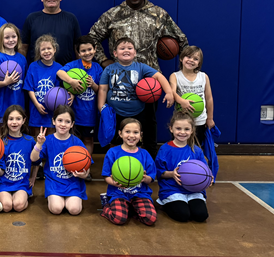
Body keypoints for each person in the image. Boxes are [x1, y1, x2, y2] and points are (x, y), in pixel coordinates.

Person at [88, 0, 188, 157]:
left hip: (149, 81)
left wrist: (186, 69)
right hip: (120, 79)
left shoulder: (158, 14)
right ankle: (117, 159)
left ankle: (149, 160)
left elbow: (181, 40)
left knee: (149, 123)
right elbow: (92, 38)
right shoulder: (113, 14)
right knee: (119, 123)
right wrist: (104, 60)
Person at [97, 37, 174, 158]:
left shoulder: (141, 67)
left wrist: (169, 92)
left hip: (138, 112)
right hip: (115, 113)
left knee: (137, 139)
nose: (126, 50)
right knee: (115, 141)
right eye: (122, 48)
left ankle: (139, 163)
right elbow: (103, 89)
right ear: (115, 53)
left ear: (135, 52)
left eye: (129, 48)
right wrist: (101, 107)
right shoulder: (109, 69)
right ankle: (114, 162)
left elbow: (159, 76)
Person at [56, 35, 103, 178]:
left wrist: (93, 85)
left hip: (90, 113)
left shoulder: (97, 68)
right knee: (72, 140)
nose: (87, 53)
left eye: (90, 49)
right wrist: (71, 81)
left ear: (95, 49)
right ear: (78, 52)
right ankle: (71, 164)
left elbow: (100, 89)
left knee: (88, 140)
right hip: (74, 112)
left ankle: (84, 166)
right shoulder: (74, 65)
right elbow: (59, 72)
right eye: (83, 51)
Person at [31, 105, 89, 215]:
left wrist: (83, 175)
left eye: (67, 122)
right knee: (56, 209)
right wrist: (39, 144)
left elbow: (87, 169)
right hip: (54, 183)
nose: (63, 124)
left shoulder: (77, 142)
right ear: (53, 121)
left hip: (73, 184)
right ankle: (53, 197)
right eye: (60, 120)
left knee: (74, 210)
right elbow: (33, 158)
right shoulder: (47, 140)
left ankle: (71, 199)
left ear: (72, 124)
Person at [100, 118, 157, 226]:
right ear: (120, 134)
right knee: (119, 219)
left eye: (136, 132)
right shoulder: (113, 152)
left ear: (141, 135)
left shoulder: (144, 154)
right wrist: (114, 182)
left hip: (140, 193)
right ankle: (106, 207)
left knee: (151, 219)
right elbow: (106, 176)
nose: (131, 135)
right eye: (127, 132)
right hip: (118, 193)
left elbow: (151, 178)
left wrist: (145, 178)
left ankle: (131, 209)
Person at [155, 111, 211, 223]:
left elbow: (205, 170)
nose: (182, 132)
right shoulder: (165, 150)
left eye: (186, 129)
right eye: (178, 128)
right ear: (171, 129)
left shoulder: (196, 150)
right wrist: (172, 174)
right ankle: (164, 203)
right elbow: (158, 173)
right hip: (172, 190)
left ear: (192, 131)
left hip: (194, 190)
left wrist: (209, 178)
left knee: (201, 216)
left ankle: (188, 202)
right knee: (183, 215)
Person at [20, 0, 82, 66]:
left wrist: (82, 70)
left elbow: (78, 49)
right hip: (38, 75)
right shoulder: (32, 18)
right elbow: (23, 49)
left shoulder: (71, 19)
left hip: (66, 73)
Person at [0, 105, 37, 213]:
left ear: (23, 120)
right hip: (3, 183)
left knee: (18, 206)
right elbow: (1, 172)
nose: (14, 122)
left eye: (18, 119)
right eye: (11, 119)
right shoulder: (1, 142)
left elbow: (37, 162)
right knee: (7, 207)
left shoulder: (30, 140)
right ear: (6, 121)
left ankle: (26, 195)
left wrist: (33, 178)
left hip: (21, 183)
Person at [23, 34, 70, 135]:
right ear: (39, 52)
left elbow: (65, 88)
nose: (46, 51)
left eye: (49, 48)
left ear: (54, 49)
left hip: (52, 112)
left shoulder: (59, 68)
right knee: (37, 138)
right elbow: (29, 88)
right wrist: (37, 104)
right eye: (43, 49)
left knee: (51, 137)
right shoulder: (33, 66)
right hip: (37, 110)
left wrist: (72, 95)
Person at [169, 45, 215, 145]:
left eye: (195, 59)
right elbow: (172, 92)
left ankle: (195, 162)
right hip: (181, 120)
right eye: (188, 57)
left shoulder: (203, 77)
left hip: (199, 120)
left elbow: (209, 98)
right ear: (181, 58)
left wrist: (210, 118)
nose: (191, 60)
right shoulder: (175, 76)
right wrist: (182, 101)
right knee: (180, 146)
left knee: (197, 148)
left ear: (199, 63)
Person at [0, 23, 27, 126]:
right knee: (2, 131)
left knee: (17, 129)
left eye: (13, 36)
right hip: (2, 103)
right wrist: (6, 82)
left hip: (18, 101)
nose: (11, 40)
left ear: (18, 38)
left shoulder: (22, 59)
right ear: (1, 40)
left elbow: (23, 81)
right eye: (7, 37)